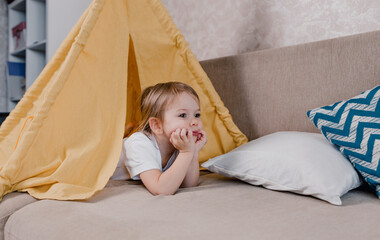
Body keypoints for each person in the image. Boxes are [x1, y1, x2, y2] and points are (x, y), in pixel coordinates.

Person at [111, 82, 207, 195]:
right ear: (157, 125)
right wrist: (186, 153)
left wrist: (193, 152)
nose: (195, 122)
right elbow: (161, 189)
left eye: (197, 115)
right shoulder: (139, 143)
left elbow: (189, 185)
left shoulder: (179, 144)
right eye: (182, 115)